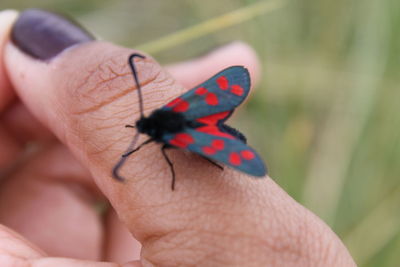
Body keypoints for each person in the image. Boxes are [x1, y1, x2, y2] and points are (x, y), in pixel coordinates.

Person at [0, 9, 356, 266]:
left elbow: (164, 150)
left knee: (183, 146)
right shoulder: (159, 122)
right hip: (202, 126)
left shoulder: (164, 131)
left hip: (209, 138)